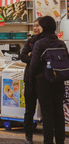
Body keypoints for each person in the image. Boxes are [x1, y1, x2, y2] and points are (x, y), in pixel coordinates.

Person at [30, 16, 67, 144]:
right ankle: (60, 141)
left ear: (44, 27)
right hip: (59, 81)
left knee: (47, 113)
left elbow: (33, 66)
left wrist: (30, 82)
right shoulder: (60, 43)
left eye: (39, 25)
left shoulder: (40, 43)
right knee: (58, 112)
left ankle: (48, 141)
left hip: (44, 82)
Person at [20, 17, 43, 144]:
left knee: (46, 109)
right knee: (29, 109)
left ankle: (48, 134)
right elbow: (22, 56)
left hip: (44, 80)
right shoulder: (30, 42)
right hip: (29, 79)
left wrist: (32, 55)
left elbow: (42, 59)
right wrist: (33, 56)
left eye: (38, 25)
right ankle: (28, 136)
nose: (35, 28)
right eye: (34, 25)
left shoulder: (45, 41)